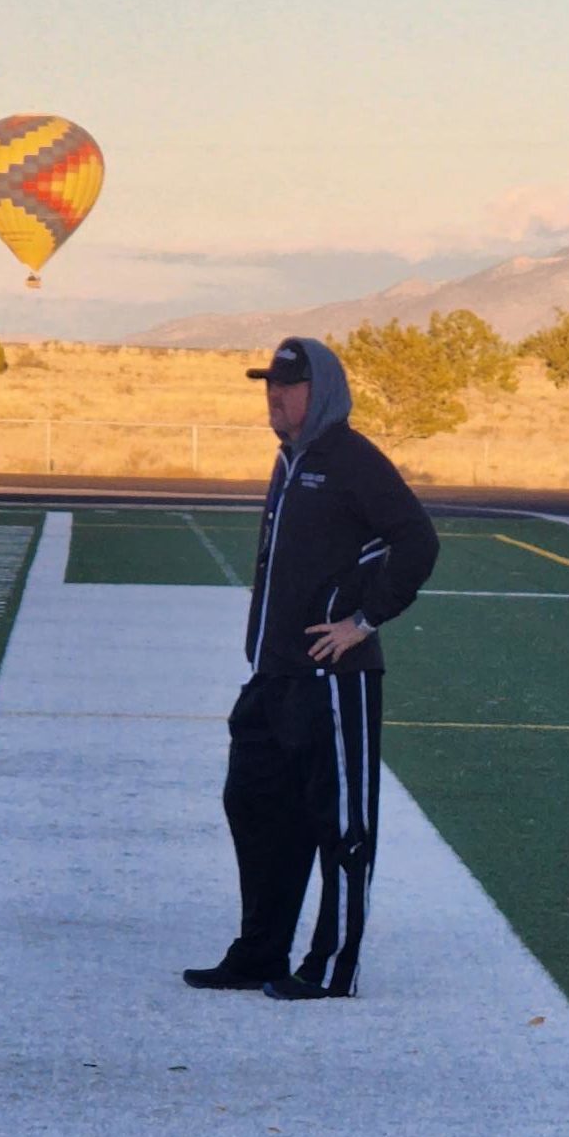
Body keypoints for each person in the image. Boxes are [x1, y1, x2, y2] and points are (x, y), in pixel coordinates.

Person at [184, 336, 439, 999]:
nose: (275, 395)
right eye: (269, 384)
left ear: (318, 390)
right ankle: (261, 952)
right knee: (254, 804)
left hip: (334, 682)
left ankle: (332, 967)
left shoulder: (350, 458)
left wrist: (363, 621)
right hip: (273, 678)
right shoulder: (289, 461)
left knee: (343, 830)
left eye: (288, 386)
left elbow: (417, 539)